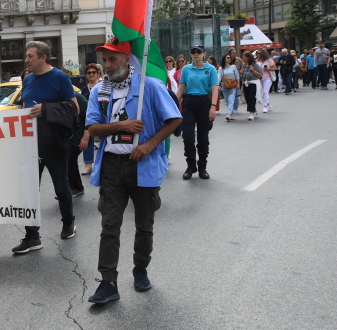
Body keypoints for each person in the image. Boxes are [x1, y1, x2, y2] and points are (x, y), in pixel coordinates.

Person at [85, 39, 182, 304]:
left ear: (127, 59)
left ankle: (140, 269)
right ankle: (108, 282)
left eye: (112, 59)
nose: (107, 65)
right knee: (109, 225)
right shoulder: (99, 92)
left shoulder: (149, 86)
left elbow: (174, 118)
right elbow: (93, 128)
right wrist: (121, 126)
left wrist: (150, 145)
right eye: (105, 60)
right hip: (112, 167)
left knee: (144, 225)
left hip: (144, 165)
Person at [13, 41, 79, 253]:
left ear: (43, 57)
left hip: (55, 143)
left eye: (31, 56)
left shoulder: (60, 77)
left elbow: (74, 108)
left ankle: (68, 222)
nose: (27, 60)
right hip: (32, 145)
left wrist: (47, 110)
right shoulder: (28, 78)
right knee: (30, 191)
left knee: (61, 187)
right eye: (26, 56)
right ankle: (32, 236)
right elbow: (24, 107)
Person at [176, 44, 219, 180]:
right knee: (187, 136)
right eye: (193, 52)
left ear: (204, 53)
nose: (196, 54)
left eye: (198, 52)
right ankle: (190, 166)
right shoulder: (186, 69)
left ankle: (202, 167)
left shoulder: (210, 69)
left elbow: (214, 89)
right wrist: (174, 104)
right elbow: (181, 88)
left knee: (203, 137)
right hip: (188, 103)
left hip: (204, 103)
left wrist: (213, 107)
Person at [81, 63, 103, 174]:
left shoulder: (103, 87)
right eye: (89, 72)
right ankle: (88, 165)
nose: (91, 74)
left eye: (93, 72)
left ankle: (103, 164)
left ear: (98, 73)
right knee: (88, 139)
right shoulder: (84, 90)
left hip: (102, 117)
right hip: (89, 117)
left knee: (104, 140)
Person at [67, 89, 89, 197]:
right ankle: (72, 187)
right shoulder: (56, 97)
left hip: (78, 137)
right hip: (66, 138)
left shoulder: (78, 97)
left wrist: (85, 138)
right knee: (67, 161)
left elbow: (89, 118)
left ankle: (76, 187)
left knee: (70, 159)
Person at [240, 52, 263, 121]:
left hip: (253, 83)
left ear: (248, 58)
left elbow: (260, 74)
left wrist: (253, 70)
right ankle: (253, 109)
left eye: (244, 57)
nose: (242, 58)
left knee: (251, 97)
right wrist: (241, 73)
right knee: (247, 98)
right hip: (245, 83)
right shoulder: (244, 65)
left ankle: (251, 113)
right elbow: (241, 76)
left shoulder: (255, 65)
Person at [219, 53, 240, 121]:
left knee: (231, 100)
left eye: (230, 58)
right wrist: (218, 85)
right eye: (228, 57)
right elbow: (219, 77)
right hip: (224, 86)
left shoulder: (233, 66)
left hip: (233, 85)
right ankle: (232, 113)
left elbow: (237, 75)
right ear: (224, 59)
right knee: (227, 101)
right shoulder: (221, 68)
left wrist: (238, 83)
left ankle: (228, 114)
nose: (229, 59)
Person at [256, 48, 276, 113]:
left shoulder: (269, 60)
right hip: (259, 78)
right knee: (261, 93)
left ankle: (265, 106)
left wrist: (268, 68)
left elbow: (274, 67)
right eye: (257, 53)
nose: (258, 54)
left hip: (267, 78)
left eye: (259, 53)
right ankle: (268, 104)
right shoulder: (257, 60)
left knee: (265, 92)